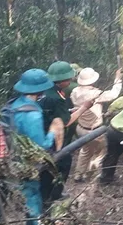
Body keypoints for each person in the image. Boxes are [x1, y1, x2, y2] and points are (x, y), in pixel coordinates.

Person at [11, 69, 58, 225]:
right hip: (26, 164)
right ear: (41, 90)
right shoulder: (32, 113)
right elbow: (40, 146)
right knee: (32, 197)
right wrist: (52, 133)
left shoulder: (13, 104)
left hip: (6, 159)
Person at [38, 61, 90, 204]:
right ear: (62, 81)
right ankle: (52, 195)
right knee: (62, 163)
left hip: (42, 134)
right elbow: (65, 122)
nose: (71, 80)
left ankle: (45, 195)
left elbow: (51, 113)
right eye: (69, 78)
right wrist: (83, 108)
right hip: (53, 137)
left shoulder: (45, 91)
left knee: (46, 167)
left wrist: (67, 112)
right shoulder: (57, 97)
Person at [71, 67, 123, 182]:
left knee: (85, 150)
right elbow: (114, 94)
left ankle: (78, 175)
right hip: (95, 131)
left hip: (81, 128)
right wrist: (118, 79)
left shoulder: (74, 92)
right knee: (100, 152)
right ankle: (88, 175)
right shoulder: (95, 94)